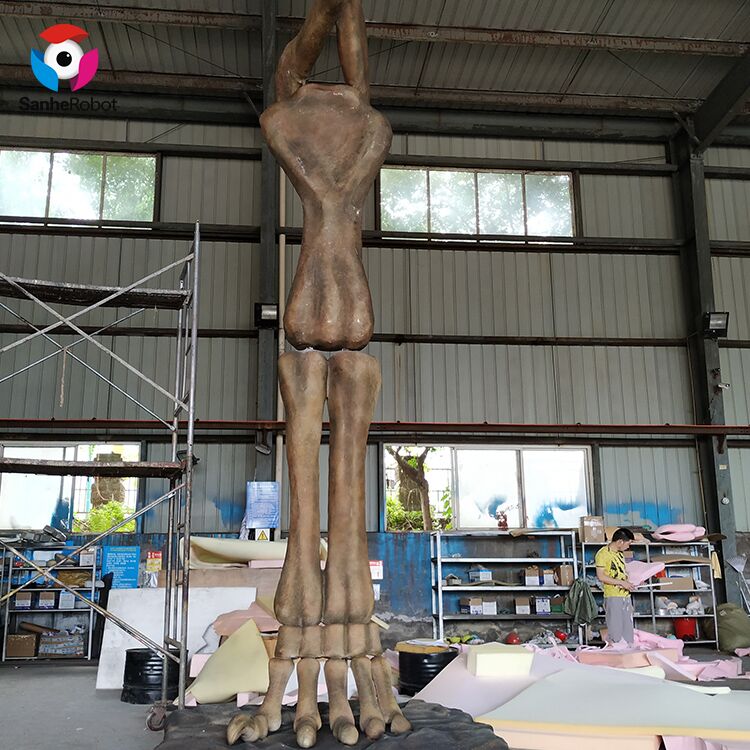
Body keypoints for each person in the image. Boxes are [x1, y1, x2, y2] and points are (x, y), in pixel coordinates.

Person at [595, 527, 636, 645]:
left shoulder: (620, 554)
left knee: (628, 630)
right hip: (613, 596)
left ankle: (629, 651)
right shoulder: (603, 554)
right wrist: (622, 583)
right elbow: (601, 576)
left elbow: (622, 572)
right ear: (620, 542)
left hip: (625, 596)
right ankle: (617, 651)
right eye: (628, 544)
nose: (628, 547)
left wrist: (630, 581)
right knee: (616, 630)